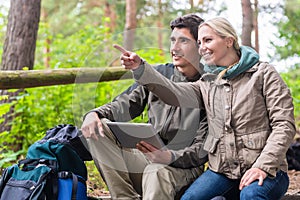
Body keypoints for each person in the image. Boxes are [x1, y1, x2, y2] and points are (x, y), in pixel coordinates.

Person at [115, 17, 296, 200]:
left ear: (228, 41)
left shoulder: (263, 74)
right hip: (223, 172)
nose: (202, 47)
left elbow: (284, 125)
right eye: (200, 42)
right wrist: (141, 69)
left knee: (251, 196)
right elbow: (173, 92)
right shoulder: (208, 82)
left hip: (268, 169)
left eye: (208, 40)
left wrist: (262, 166)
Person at [81, 14, 208, 200]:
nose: (174, 48)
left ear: (199, 46)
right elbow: (124, 105)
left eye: (183, 41)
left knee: (156, 171)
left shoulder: (209, 86)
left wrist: (169, 157)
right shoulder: (157, 74)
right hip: (147, 157)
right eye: (173, 40)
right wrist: (95, 113)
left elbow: (203, 149)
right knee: (100, 128)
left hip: (183, 168)